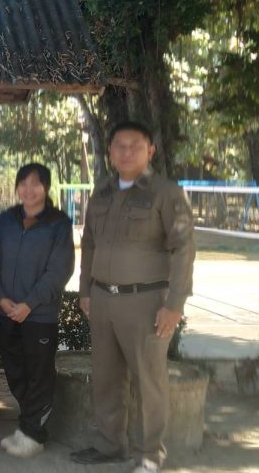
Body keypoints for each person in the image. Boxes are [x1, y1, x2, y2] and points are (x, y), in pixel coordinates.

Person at [70, 121, 195, 473]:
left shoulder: (166, 193)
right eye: (119, 146)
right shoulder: (102, 190)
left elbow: (184, 248)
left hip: (147, 302)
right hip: (102, 299)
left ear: (150, 150)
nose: (127, 152)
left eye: (135, 146)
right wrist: (85, 290)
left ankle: (150, 454)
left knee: (148, 381)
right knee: (107, 378)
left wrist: (174, 304)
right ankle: (110, 445)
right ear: (110, 152)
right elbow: (89, 243)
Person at [0, 163, 75, 458]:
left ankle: (34, 435)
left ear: (46, 187)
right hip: (6, 311)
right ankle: (27, 425)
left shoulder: (58, 223)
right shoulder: (5, 220)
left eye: (35, 183)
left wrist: (29, 304)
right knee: (15, 372)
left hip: (39, 314)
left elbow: (59, 271)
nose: (29, 189)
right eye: (23, 183)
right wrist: (0, 298)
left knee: (38, 374)